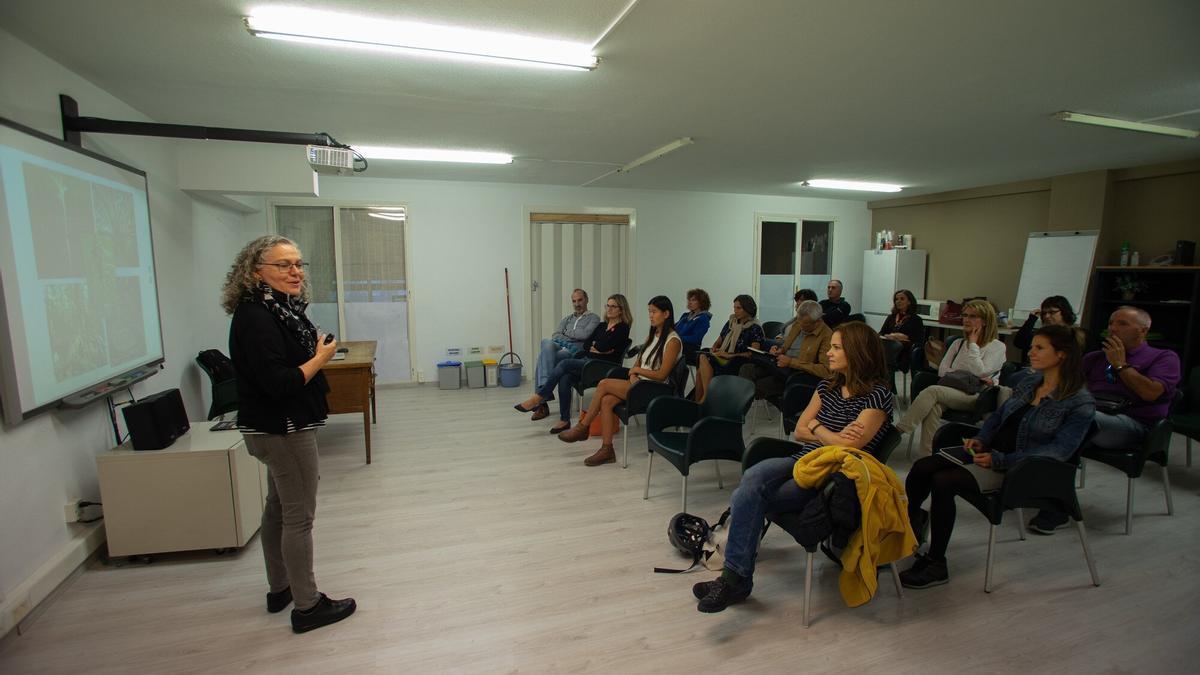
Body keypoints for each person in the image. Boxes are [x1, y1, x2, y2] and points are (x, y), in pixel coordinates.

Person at [690, 321, 895, 612]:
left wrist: (816, 425)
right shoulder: (828, 385)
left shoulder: (877, 395)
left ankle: (734, 580)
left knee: (743, 497)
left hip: (830, 477)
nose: (830, 354)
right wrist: (827, 432)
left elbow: (848, 449)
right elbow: (799, 430)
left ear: (858, 352)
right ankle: (734, 581)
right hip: (804, 458)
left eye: (837, 348)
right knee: (753, 475)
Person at [223, 235, 356, 634]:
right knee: (299, 517)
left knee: (279, 508)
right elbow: (279, 383)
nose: (295, 272)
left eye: (298, 264)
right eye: (283, 265)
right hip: (282, 428)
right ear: (255, 271)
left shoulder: (276, 309)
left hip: (277, 425)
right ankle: (308, 605)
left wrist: (313, 350)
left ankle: (280, 588)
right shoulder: (257, 317)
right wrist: (321, 358)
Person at [900, 325, 1095, 588]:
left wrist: (1001, 460)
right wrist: (982, 440)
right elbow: (999, 418)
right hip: (993, 456)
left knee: (944, 481)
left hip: (1025, 471)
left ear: (1061, 355)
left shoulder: (1079, 402)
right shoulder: (1030, 383)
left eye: (1039, 348)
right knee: (923, 467)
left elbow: (1058, 452)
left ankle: (936, 563)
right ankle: (911, 525)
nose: (1030, 352)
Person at [1026, 306, 1181, 534]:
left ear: (1143, 331)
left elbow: (1151, 393)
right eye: (1111, 323)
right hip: (1091, 417)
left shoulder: (1164, 357)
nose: (1112, 329)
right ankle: (1039, 488)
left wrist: (1120, 365)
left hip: (1133, 426)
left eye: (1122, 324)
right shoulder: (1094, 358)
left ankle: (1057, 505)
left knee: (1074, 419)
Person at [557, 296, 682, 466]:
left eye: (654, 312)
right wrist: (633, 374)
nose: (651, 316)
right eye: (649, 312)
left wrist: (636, 371)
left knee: (604, 383)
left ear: (666, 314)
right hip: (639, 383)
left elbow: (661, 375)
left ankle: (583, 427)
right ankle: (607, 450)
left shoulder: (672, 340)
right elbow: (639, 361)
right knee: (607, 401)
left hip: (655, 389)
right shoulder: (654, 334)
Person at [895, 299, 1006, 456]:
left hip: (977, 396)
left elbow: (982, 372)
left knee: (932, 391)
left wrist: (973, 345)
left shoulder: (997, 347)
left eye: (973, 316)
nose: (967, 320)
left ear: (985, 321)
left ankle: (898, 431)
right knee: (934, 407)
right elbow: (942, 370)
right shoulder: (958, 343)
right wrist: (969, 373)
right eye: (965, 315)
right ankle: (926, 457)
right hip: (950, 390)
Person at [513, 294, 632, 432]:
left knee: (565, 364)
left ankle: (540, 396)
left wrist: (599, 347)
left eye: (613, 306)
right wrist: (598, 347)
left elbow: (603, 346)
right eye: (608, 305)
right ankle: (564, 420)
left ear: (621, 310)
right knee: (565, 377)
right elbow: (588, 344)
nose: (609, 309)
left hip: (603, 367)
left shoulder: (623, 328)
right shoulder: (602, 326)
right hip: (589, 361)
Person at [749, 299, 832, 401]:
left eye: (805, 325)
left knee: (759, 385)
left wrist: (791, 362)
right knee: (750, 369)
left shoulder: (827, 337)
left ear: (817, 321)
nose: (801, 327)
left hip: (797, 372)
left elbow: (826, 370)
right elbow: (787, 345)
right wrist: (779, 350)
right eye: (799, 322)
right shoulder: (798, 323)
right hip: (782, 363)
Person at [693, 295, 765, 402]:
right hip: (724, 356)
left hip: (737, 361)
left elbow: (753, 354)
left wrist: (729, 355)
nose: (735, 311)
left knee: (704, 359)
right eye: (734, 307)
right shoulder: (732, 321)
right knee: (703, 354)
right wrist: (715, 348)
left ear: (748, 309)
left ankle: (704, 398)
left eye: (738, 308)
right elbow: (719, 340)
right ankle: (700, 400)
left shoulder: (755, 328)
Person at [535, 289, 601, 392]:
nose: (577, 304)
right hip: (560, 345)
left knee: (542, 358)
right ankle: (545, 386)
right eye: (574, 301)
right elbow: (555, 335)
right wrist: (572, 337)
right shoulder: (567, 319)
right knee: (545, 342)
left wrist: (566, 332)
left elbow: (585, 335)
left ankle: (542, 394)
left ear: (587, 300)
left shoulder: (594, 318)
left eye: (580, 300)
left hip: (574, 350)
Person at [879, 289, 925, 371]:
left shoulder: (916, 319)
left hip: (905, 349)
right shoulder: (891, 317)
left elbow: (919, 340)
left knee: (891, 349)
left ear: (909, 302)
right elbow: (881, 332)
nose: (898, 301)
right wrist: (890, 336)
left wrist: (902, 337)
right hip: (889, 344)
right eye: (896, 299)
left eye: (902, 299)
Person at [674, 288, 713, 365]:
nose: (690, 302)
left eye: (693, 300)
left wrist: (677, 338)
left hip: (689, 349)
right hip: (677, 345)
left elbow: (696, 338)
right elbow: (674, 329)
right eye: (689, 300)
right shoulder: (685, 316)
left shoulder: (703, 319)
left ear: (701, 302)